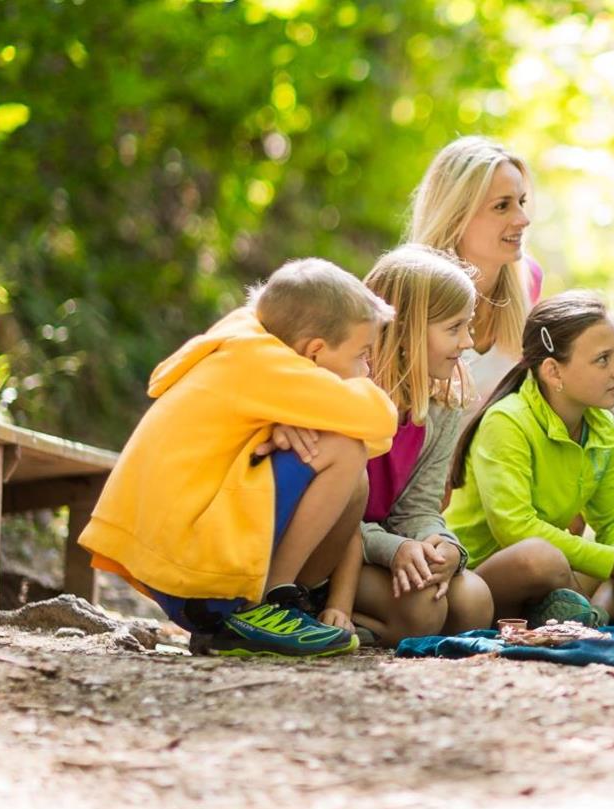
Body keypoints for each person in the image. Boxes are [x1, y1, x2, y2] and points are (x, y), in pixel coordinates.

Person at [78, 259, 398, 658]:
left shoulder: (247, 347)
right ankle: (271, 603)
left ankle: (258, 613)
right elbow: (380, 419)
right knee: (344, 450)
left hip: (189, 558)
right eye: (362, 355)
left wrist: (287, 422)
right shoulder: (261, 362)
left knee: (354, 478)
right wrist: (301, 421)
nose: (366, 370)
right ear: (314, 352)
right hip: (194, 564)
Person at [451, 292, 614, 627]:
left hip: (561, 577)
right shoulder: (506, 422)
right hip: (491, 577)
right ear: (553, 371)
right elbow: (515, 530)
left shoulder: (598, 422)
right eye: (602, 360)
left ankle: (595, 616)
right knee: (541, 557)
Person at [328, 245, 498, 646]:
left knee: (475, 602)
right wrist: (394, 549)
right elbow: (332, 515)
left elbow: (418, 508)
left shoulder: (440, 408)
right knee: (423, 610)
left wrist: (445, 550)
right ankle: (322, 615)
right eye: (455, 328)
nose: (469, 342)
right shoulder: (349, 398)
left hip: (385, 546)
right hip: (332, 552)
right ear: (406, 330)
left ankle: (373, 625)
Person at [406, 136, 545, 419]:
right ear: (456, 216)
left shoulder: (529, 279)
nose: (523, 219)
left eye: (521, 201)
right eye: (502, 206)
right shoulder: (410, 290)